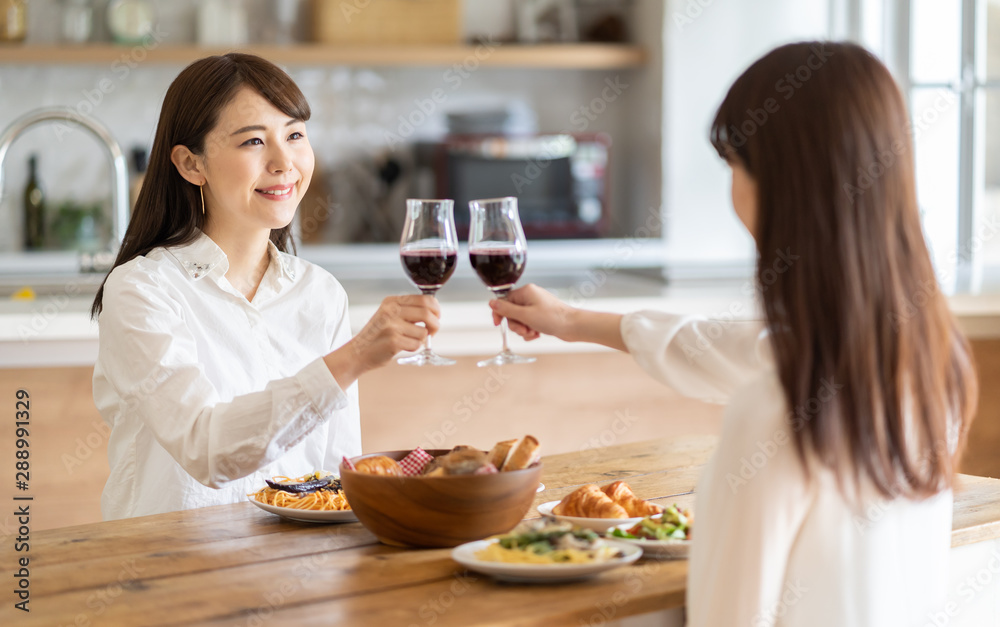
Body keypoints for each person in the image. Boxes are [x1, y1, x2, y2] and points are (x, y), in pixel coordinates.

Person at [491, 42, 978, 626]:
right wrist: (572, 321)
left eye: (734, 166)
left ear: (780, 183)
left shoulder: (776, 413)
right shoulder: (928, 364)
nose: (732, 193)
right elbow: (743, 348)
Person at [91, 53, 439, 520]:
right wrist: (352, 359)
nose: (284, 162)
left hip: (296, 571)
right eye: (254, 141)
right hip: (170, 572)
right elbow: (206, 450)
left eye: (294, 135)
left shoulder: (320, 293)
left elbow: (334, 476)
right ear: (191, 164)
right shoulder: (141, 291)